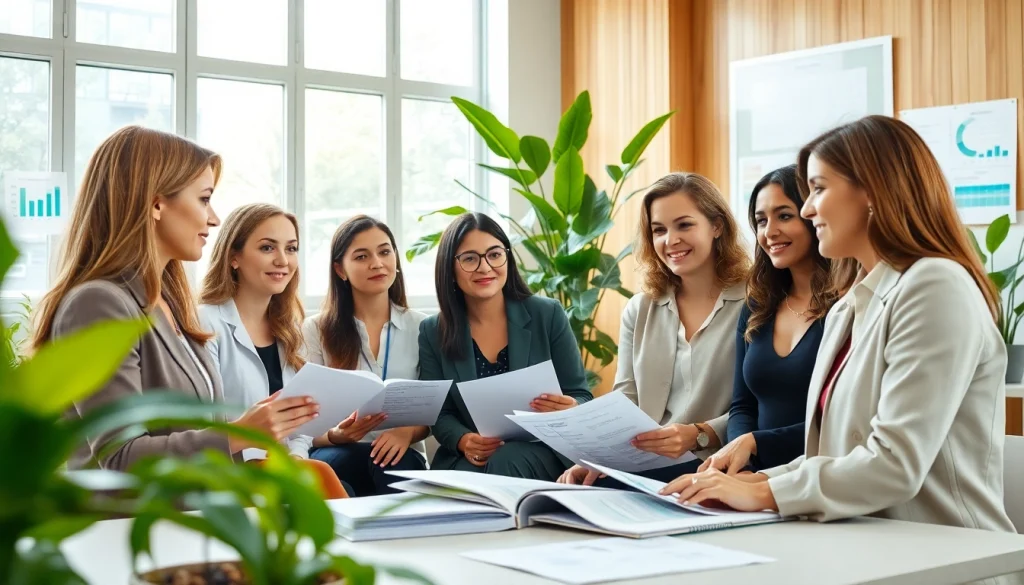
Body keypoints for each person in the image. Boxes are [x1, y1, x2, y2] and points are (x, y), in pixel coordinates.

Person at [662, 116, 1019, 549]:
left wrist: (762, 491)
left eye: (817, 189)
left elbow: (893, 464)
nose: (808, 209)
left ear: (872, 190)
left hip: (945, 553)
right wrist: (738, 485)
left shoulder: (935, 285)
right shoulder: (850, 305)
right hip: (861, 542)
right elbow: (827, 457)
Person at [33, 126, 319, 474]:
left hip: (197, 512)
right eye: (204, 199)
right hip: (132, 523)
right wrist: (240, 433)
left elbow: (197, 437)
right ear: (156, 203)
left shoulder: (170, 304)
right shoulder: (98, 303)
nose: (213, 219)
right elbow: (121, 458)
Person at [559, 172, 750, 486]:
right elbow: (626, 401)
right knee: (578, 487)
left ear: (717, 226)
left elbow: (761, 407)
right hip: (648, 464)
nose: (670, 240)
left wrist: (699, 436)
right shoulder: (640, 308)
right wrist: (599, 461)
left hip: (720, 462)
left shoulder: (754, 302)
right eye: (658, 230)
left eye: (684, 225)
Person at [421, 212, 592, 481]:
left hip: (542, 449)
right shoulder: (433, 330)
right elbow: (439, 411)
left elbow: (581, 394)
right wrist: (464, 440)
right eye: (469, 259)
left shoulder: (547, 314)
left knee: (507, 461)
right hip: (473, 455)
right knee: (466, 481)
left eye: (494, 254)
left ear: (507, 258)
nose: (485, 267)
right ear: (449, 269)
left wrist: (570, 405)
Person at [199, 203, 348, 498]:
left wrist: (295, 457)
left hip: (282, 468)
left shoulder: (289, 326)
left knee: (318, 474)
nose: (283, 260)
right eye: (268, 248)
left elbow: (299, 425)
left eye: (291, 249)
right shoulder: (205, 321)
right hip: (229, 470)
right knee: (322, 475)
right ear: (234, 257)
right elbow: (204, 421)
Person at [701, 165, 836, 474]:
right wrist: (742, 465)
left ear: (814, 216)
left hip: (820, 477)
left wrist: (757, 444)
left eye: (784, 216)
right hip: (753, 476)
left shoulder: (848, 305)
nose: (769, 232)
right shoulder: (757, 306)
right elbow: (742, 407)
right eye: (761, 221)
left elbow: (842, 419)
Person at [301, 215, 429, 496]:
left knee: (393, 463)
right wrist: (336, 435)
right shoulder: (316, 329)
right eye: (361, 256)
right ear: (340, 269)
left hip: (401, 451)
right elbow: (304, 422)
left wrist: (406, 432)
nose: (377, 263)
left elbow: (435, 409)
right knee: (336, 469)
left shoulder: (423, 327)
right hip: (338, 451)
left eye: (385, 251)